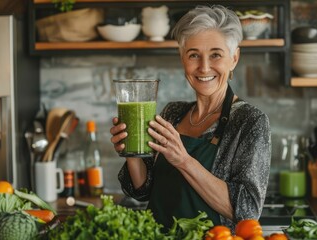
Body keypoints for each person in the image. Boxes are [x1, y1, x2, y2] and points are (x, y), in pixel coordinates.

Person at [110, 5, 271, 231]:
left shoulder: (249, 121)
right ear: (182, 58)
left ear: (234, 58)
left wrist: (184, 161)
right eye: (194, 55)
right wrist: (132, 153)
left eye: (216, 54)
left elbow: (246, 211)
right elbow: (142, 189)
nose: (204, 67)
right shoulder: (172, 114)